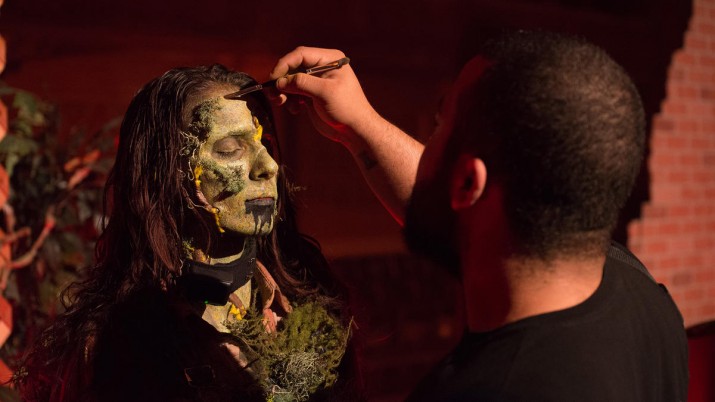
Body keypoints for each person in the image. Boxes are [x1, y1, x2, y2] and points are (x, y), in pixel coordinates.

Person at [268, 31, 688, 400]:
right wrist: (359, 124)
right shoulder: (644, 297)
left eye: (440, 127)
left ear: (468, 183)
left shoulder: (485, 391)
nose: (428, 143)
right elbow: (450, 205)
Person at [17, 65, 360, 401]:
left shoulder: (312, 305)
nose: (268, 166)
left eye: (265, 143)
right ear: (169, 172)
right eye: (230, 149)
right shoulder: (114, 344)